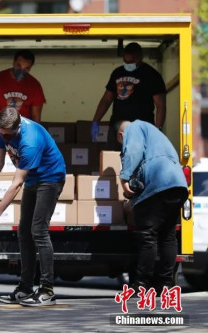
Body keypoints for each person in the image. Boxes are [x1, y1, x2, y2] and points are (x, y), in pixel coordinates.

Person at [0, 107, 65, 307]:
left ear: (17, 128)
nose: (5, 139)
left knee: (39, 231)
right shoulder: (1, 128)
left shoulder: (30, 141)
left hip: (50, 178)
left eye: (8, 135)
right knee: (23, 232)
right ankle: (25, 288)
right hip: (33, 179)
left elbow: (16, 184)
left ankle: (47, 290)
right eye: (2, 134)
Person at [116, 120, 188, 292]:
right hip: (177, 184)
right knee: (168, 236)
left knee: (148, 236)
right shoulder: (156, 135)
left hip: (158, 183)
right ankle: (165, 284)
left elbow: (132, 151)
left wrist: (124, 178)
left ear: (121, 135)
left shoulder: (133, 127)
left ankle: (141, 285)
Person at [91, 42, 166, 150]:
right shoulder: (118, 73)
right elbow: (106, 99)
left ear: (140, 57)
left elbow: (161, 105)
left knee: (139, 160)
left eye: (131, 62)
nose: (128, 64)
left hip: (142, 127)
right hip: (117, 126)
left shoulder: (151, 75)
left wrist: (158, 129)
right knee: (113, 159)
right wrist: (96, 120)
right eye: (125, 61)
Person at [0, 49, 46, 151]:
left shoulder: (34, 86)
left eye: (26, 68)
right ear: (13, 62)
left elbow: (36, 117)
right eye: (18, 65)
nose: (21, 70)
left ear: (30, 68)